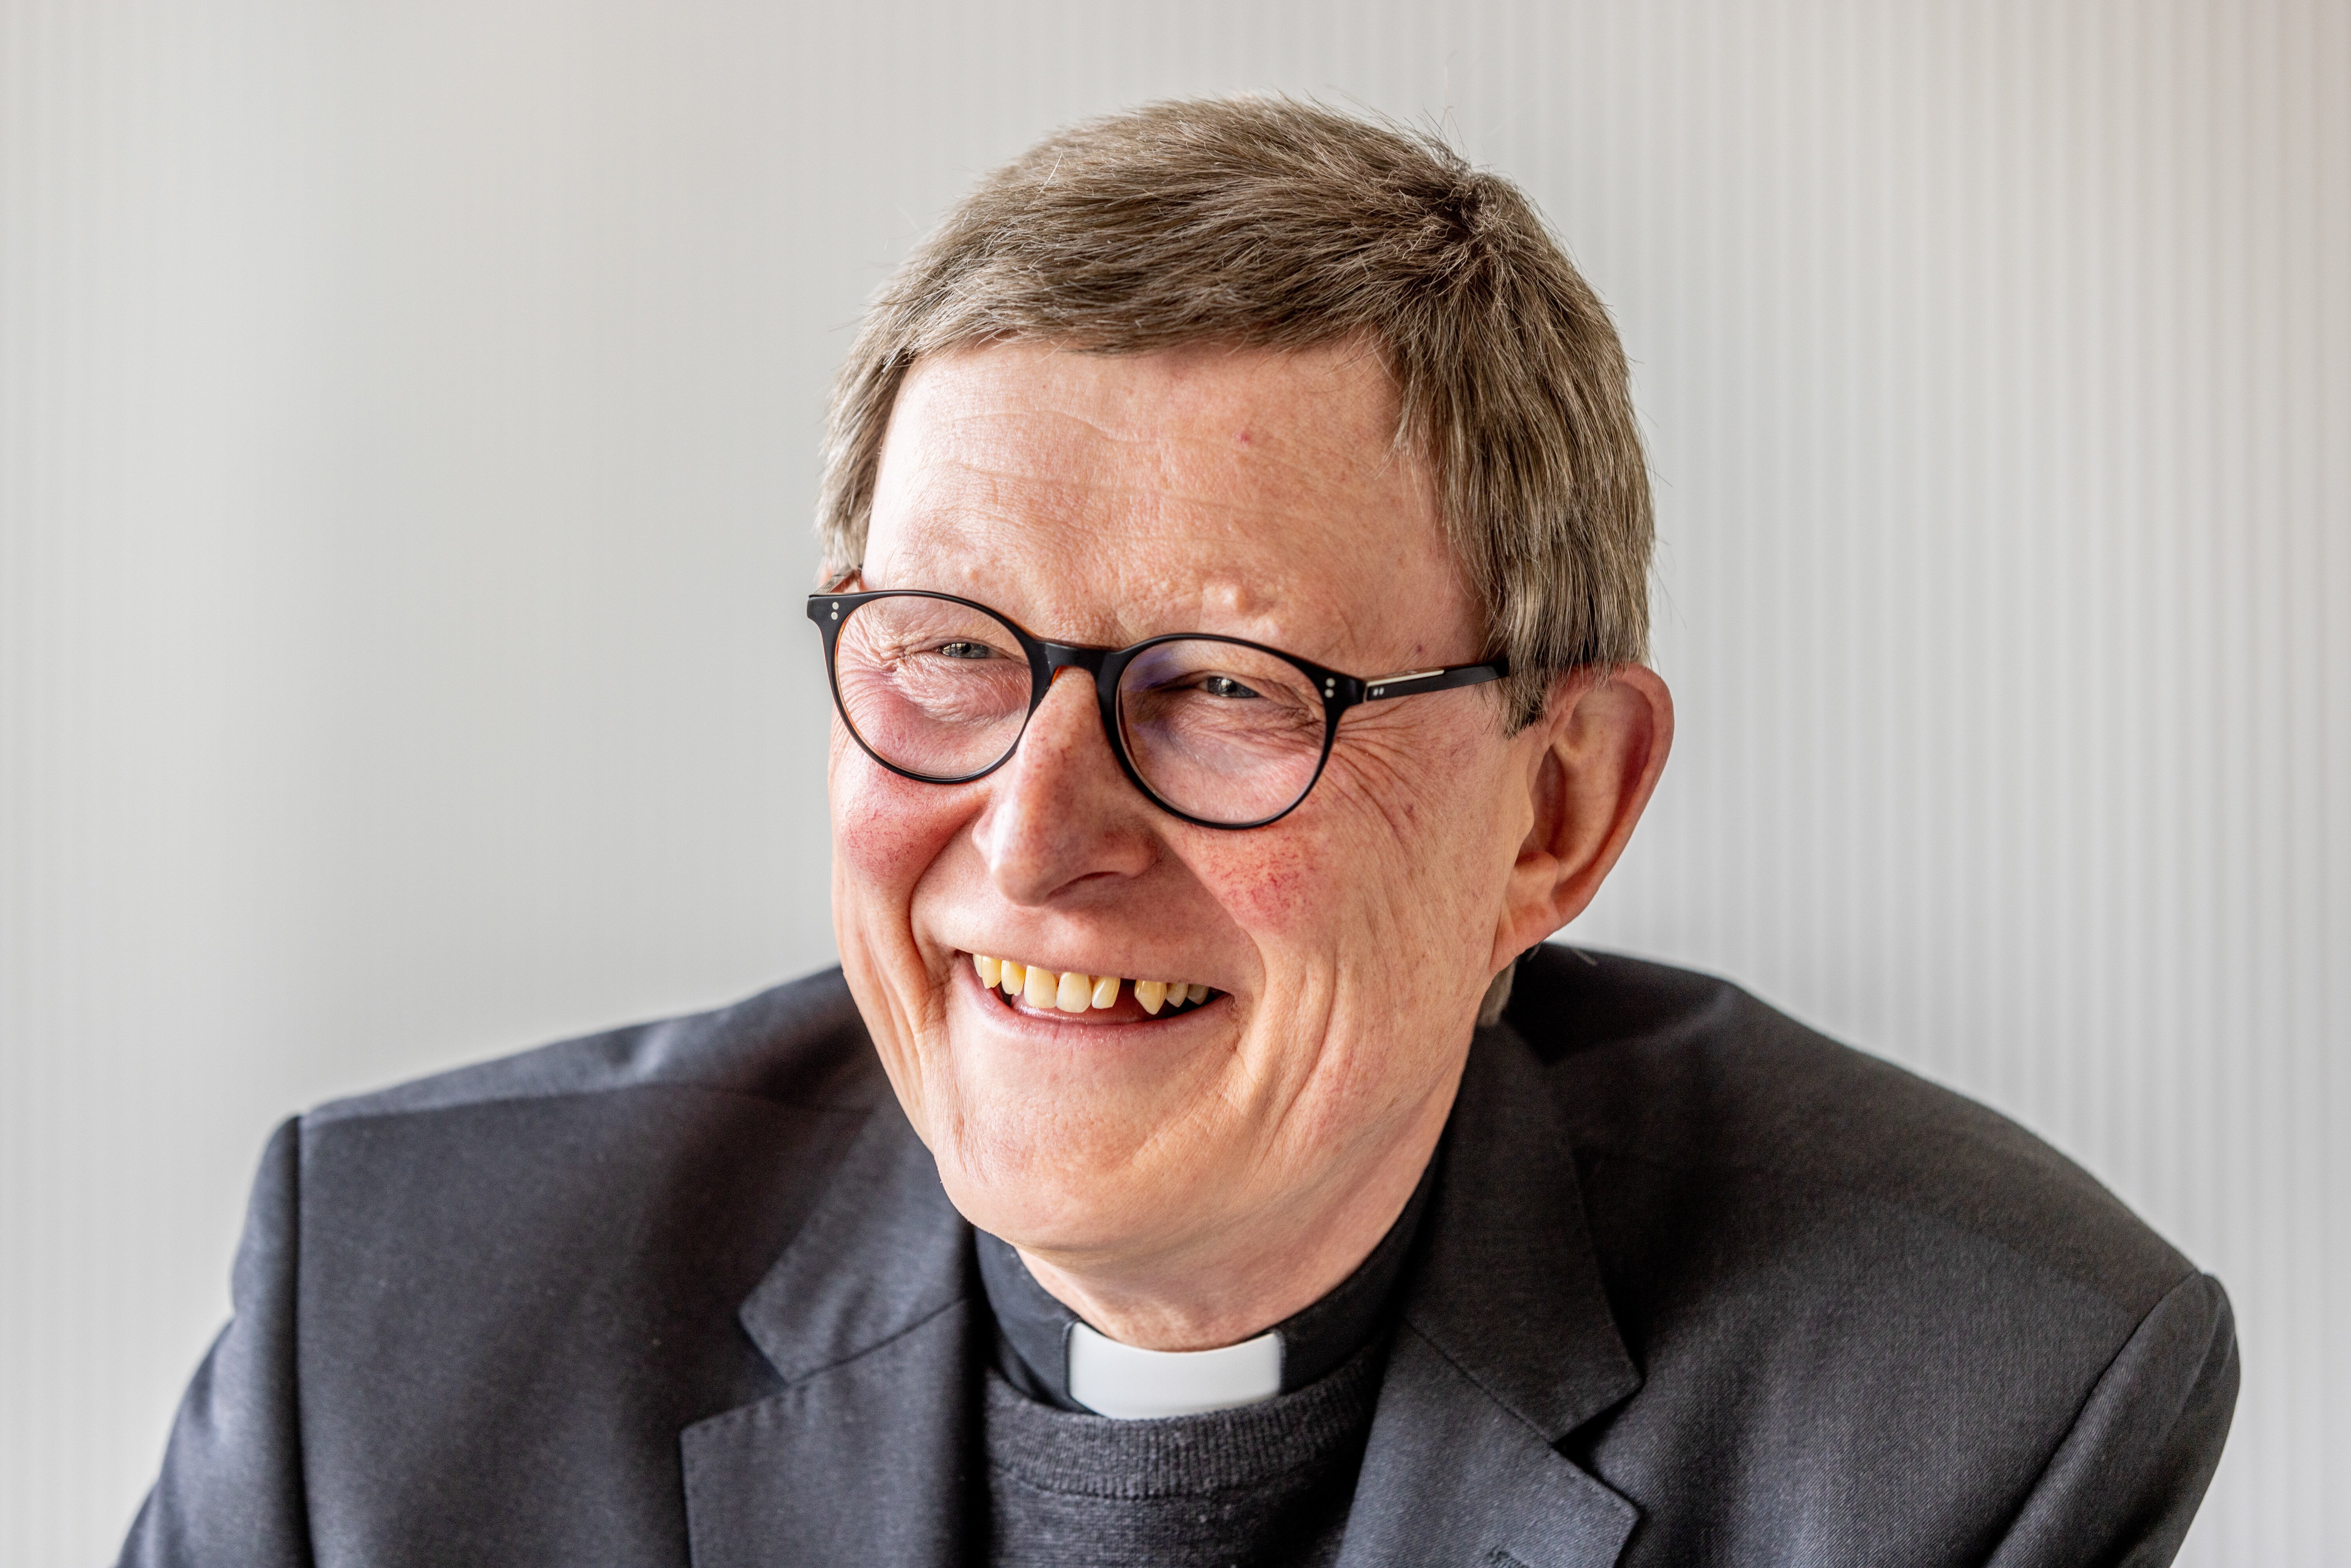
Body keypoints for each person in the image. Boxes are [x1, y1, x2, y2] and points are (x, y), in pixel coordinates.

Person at [120, 97, 2236, 1568]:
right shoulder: (397, 1327)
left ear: (1559, 805)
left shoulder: (1965, 1409)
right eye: (948, 648)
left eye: (1228, 686)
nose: (1032, 836)